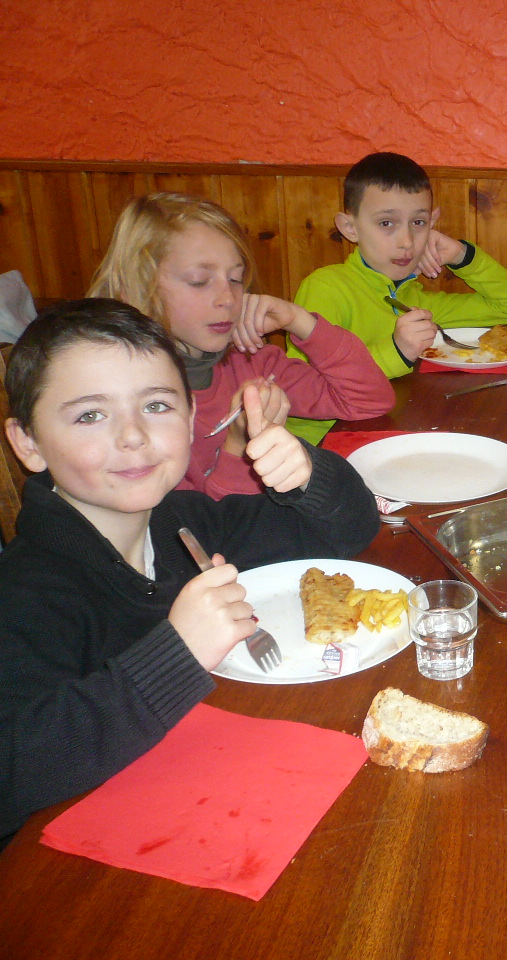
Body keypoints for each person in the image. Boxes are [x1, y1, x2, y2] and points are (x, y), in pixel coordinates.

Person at [0, 299, 380, 847]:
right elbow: (13, 771)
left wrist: (306, 475)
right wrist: (178, 654)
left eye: (156, 405)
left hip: (212, 803)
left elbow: (343, 533)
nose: (133, 435)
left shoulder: (186, 524)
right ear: (28, 443)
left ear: (192, 415)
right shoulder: (26, 591)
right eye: (90, 415)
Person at [88, 192, 395, 498]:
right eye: (199, 281)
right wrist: (240, 448)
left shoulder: (250, 361)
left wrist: (298, 320)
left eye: (235, 279)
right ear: (136, 289)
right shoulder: (131, 404)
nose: (227, 298)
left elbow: (369, 400)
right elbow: (198, 523)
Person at [287, 152, 507, 443]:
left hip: (386, 430)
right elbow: (306, 387)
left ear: (432, 223)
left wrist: (460, 255)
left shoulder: (414, 299)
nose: (406, 242)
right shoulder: (326, 287)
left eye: (418, 222)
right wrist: (397, 350)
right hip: (316, 448)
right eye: (386, 223)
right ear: (350, 228)